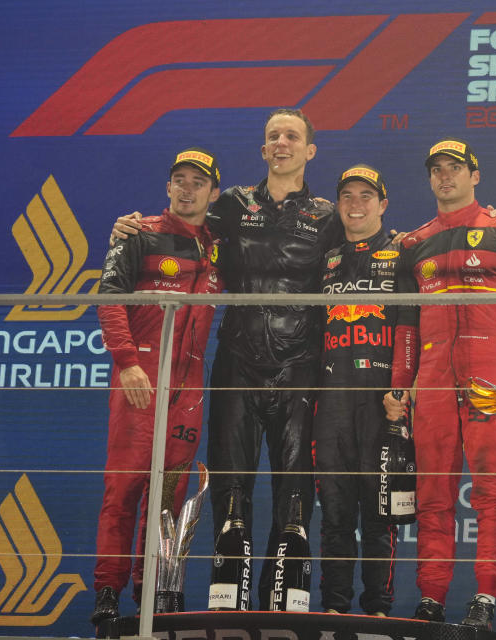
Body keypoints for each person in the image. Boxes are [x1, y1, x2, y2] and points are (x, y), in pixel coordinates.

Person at [111, 109, 342, 608]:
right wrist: (130, 228)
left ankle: (286, 602)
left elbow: (375, 248)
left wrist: (412, 243)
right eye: (273, 136)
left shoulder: (329, 215)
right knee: (230, 489)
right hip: (237, 361)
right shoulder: (232, 205)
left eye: (292, 136)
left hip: (301, 364)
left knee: (295, 492)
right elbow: (177, 223)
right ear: (263, 149)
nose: (281, 143)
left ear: (309, 151)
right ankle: (227, 599)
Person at [383, 138, 496, 631]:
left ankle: (485, 596)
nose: (444, 176)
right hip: (433, 379)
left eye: (454, 168)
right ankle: (432, 598)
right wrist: (400, 387)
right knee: (433, 493)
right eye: (436, 169)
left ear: (474, 175)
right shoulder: (413, 242)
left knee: (491, 488)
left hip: (488, 376)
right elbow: (405, 327)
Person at [92, 147, 223, 624]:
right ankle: (108, 591)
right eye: (179, 180)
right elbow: (109, 299)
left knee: (169, 494)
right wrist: (127, 364)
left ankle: (158, 591)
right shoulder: (139, 234)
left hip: (190, 386)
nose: (187, 189)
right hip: (142, 378)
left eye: (198, 182)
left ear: (213, 191)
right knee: (123, 488)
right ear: (168, 186)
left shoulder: (217, 244)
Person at [315, 164, 399, 616]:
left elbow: (414, 327)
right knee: (334, 511)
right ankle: (333, 606)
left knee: (381, 511)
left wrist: (404, 391)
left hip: (383, 401)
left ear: (383, 204)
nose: (355, 204)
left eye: (366, 195)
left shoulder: (404, 250)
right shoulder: (325, 257)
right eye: (347, 195)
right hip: (332, 400)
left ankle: (380, 608)